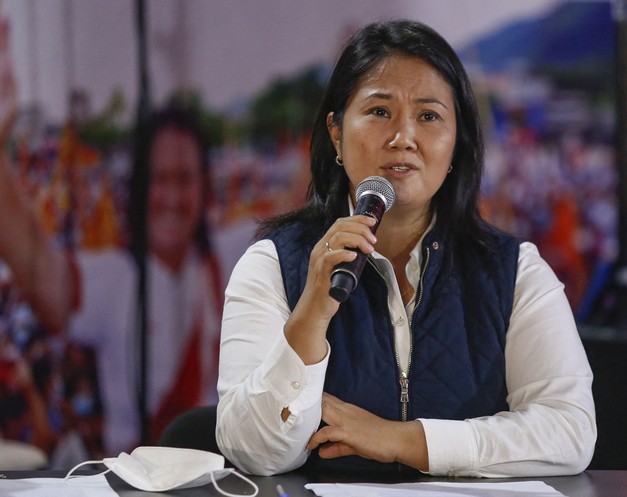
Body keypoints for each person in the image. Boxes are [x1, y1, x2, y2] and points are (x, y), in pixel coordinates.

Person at [216, 19, 596, 477]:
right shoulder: (272, 264)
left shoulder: (515, 272)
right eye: (379, 112)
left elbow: (571, 430)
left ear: (457, 144)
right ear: (336, 132)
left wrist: (403, 440)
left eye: (429, 116)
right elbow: (253, 452)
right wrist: (311, 312)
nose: (403, 137)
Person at [0, 23, 256, 455]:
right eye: (158, 180)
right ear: (138, 189)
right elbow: (38, 266)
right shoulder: (115, 277)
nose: (172, 198)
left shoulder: (237, 255)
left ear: (204, 188)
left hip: (222, 476)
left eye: (185, 179)